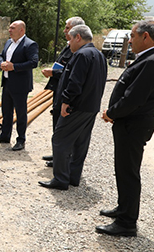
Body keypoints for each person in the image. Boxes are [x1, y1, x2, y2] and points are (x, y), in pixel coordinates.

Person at [97, 20, 154, 236]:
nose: (130, 41)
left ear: (145, 36)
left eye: (132, 36)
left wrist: (111, 113)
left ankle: (127, 223)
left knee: (128, 172)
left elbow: (133, 99)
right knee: (123, 169)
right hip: (130, 123)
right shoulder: (151, 58)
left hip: (134, 124)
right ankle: (123, 208)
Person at [38, 25, 107, 190]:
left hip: (77, 107)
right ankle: (73, 177)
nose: (68, 44)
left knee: (60, 139)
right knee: (80, 142)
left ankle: (61, 179)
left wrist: (66, 101)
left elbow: (75, 82)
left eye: (70, 39)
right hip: (91, 106)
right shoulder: (99, 55)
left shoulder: (81, 55)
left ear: (78, 37)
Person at [40, 16, 85, 167]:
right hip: (59, 90)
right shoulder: (68, 46)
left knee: (64, 128)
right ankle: (57, 154)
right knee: (57, 125)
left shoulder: (78, 50)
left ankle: (63, 159)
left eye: (67, 28)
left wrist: (53, 73)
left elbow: (70, 72)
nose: (64, 31)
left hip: (67, 93)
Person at [0, 20, 39, 151]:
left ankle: (21, 140)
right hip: (7, 83)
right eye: (10, 28)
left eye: (12, 28)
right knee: (6, 111)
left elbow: (33, 63)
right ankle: (5, 136)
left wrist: (14, 67)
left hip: (20, 86)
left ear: (21, 30)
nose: (9, 30)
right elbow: (1, 56)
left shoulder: (30, 44)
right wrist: (1, 63)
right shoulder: (8, 42)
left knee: (21, 114)